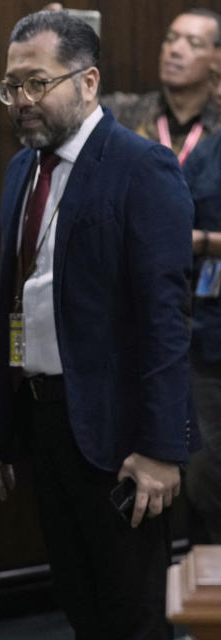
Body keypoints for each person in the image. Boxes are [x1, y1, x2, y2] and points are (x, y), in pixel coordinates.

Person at [0, 11, 196, 638]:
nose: (20, 101)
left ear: (89, 81)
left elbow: (165, 321)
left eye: (36, 84)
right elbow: (12, 308)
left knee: (132, 618)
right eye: (11, 86)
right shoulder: (24, 169)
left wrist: (160, 449)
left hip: (121, 436)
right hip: (47, 424)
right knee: (80, 606)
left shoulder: (141, 167)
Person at [102, 8, 221, 164]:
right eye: (170, 39)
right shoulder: (123, 113)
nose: (175, 50)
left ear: (217, 57)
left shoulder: (218, 126)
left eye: (194, 43)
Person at [181, 134, 221, 545]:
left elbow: (192, 235)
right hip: (209, 340)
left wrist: (207, 242)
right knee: (205, 471)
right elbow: (176, 212)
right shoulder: (208, 152)